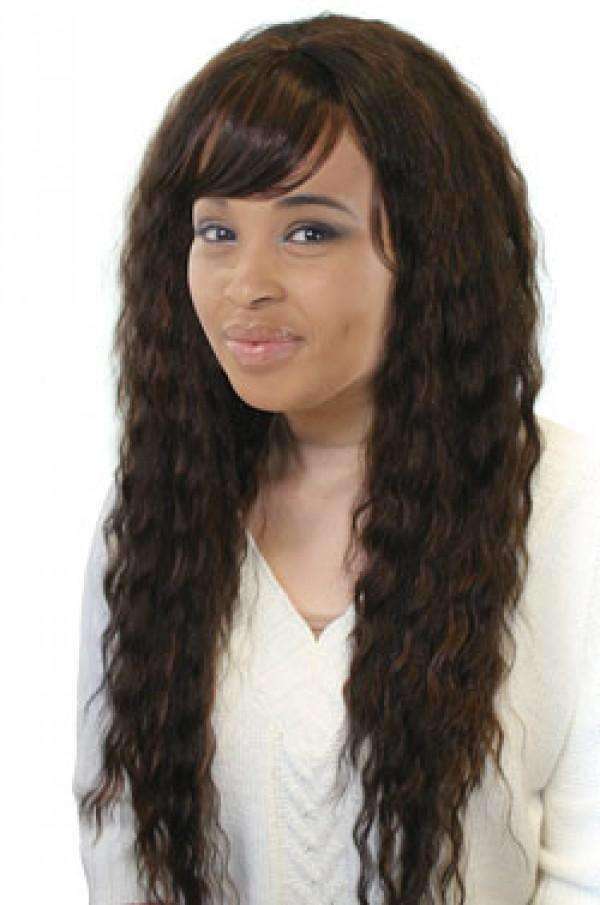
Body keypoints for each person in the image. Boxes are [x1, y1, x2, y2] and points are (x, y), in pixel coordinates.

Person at [72, 12, 600, 905]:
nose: (247, 285)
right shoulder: (160, 510)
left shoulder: (572, 512)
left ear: (429, 251)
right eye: (216, 232)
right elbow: (119, 838)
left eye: (309, 231)